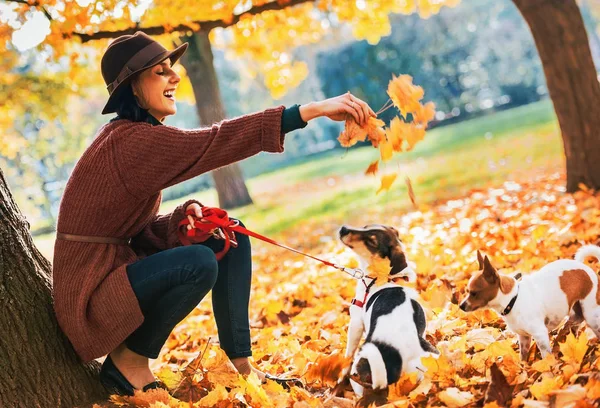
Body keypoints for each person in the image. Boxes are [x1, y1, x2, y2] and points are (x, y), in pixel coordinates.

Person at [52, 31, 376, 396]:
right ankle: (128, 362)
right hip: (90, 299)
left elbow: (130, 230)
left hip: (114, 272)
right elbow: (217, 141)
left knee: (227, 235)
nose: (175, 77)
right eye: (161, 71)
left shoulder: (132, 136)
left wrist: (182, 222)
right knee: (198, 262)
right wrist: (311, 110)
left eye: (170, 68)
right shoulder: (131, 142)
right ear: (132, 87)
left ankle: (240, 367)